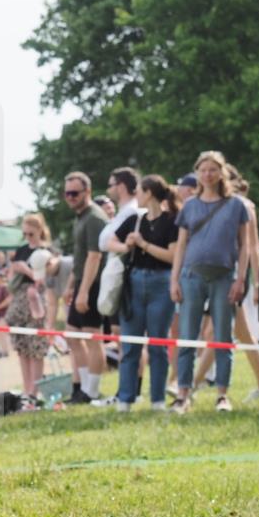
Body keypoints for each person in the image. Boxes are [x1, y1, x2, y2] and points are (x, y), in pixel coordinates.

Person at [169, 151, 250, 414]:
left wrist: (241, 279)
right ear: (198, 174)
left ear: (221, 173)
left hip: (224, 277)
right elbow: (181, 245)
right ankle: (183, 394)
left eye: (213, 170)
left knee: (222, 337)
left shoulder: (236, 205)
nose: (207, 174)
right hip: (191, 276)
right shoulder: (190, 206)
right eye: (203, 170)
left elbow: (244, 245)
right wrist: (174, 279)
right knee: (187, 337)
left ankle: (222, 394)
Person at [107, 175, 179, 411]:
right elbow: (110, 243)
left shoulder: (171, 221)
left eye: (138, 190)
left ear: (148, 193)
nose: (136, 195)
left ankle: (157, 400)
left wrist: (143, 244)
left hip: (162, 283)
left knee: (158, 344)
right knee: (130, 345)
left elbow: (172, 256)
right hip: (134, 283)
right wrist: (127, 245)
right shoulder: (134, 219)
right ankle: (125, 399)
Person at [62, 172, 108, 403]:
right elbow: (78, 258)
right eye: (67, 193)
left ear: (87, 192)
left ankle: (91, 390)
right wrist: (71, 286)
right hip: (82, 282)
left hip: (94, 283)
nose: (70, 197)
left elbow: (94, 257)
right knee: (72, 336)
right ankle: (81, 387)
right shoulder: (80, 218)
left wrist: (84, 291)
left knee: (92, 338)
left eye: (74, 193)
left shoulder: (94, 218)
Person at [5, 213, 52, 396]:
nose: (27, 238)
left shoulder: (46, 252)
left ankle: (34, 391)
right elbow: (11, 279)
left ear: (40, 231)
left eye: (30, 234)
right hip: (19, 300)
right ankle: (27, 390)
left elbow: (43, 278)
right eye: (24, 234)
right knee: (22, 347)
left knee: (36, 347)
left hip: (36, 300)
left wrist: (26, 270)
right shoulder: (22, 250)